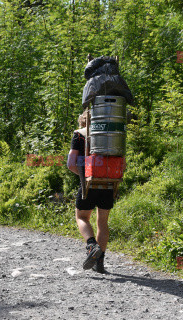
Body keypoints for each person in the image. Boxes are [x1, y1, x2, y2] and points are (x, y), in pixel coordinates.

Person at [67, 111, 125, 274]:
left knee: (82, 217)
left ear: (82, 122)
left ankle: (91, 245)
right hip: (109, 182)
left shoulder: (79, 135)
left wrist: (84, 174)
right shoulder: (112, 136)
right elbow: (123, 163)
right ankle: (99, 263)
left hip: (89, 182)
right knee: (102, 222)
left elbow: (71, 163)